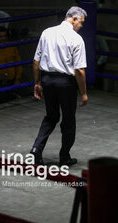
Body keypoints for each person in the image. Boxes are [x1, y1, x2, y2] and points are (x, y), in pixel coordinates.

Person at [30, 6, 88, 166]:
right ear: (74, 19)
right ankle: (64, 156)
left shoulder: (47, 32)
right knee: (68, 120)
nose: (81, 26)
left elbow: (36, 62)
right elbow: (79, 71)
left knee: (51, 116)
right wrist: (83, 93)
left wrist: (37, 82)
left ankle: (36, 150)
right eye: (81, 22)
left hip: (47, 80)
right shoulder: (76, 39)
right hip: (65, 83)